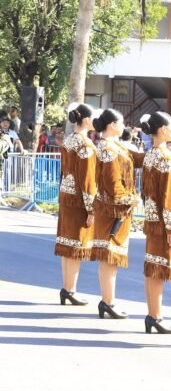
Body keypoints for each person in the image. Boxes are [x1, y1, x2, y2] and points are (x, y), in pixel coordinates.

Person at [91, 108, 144, 319]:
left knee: (111, 259)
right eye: (121, 122)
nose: (124, 126)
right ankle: (107, 301)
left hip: (113, 207)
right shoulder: (108, 148)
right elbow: (113, 183)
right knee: (109, 257)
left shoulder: (115, 146)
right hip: (112, 209)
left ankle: (108, 300)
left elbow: (136, 159)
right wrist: (131, 199)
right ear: (112, 125)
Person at [139, 112, 171, 334]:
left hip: (152, 216)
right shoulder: (166, 158)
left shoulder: (150, 155)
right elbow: (170, 196)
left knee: (152, 267)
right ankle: (156, 316)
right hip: (164, 220)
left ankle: (153, 314)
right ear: (163, 129)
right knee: (159, 268)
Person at [55, 103, 97, 306]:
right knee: (75, 246)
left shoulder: (69, 140)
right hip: (79, 198)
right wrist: (92, 208)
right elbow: (88, 180)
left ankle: (67, 287)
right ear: (87, 120)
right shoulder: (86, 145)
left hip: (66, 193)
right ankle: (70, 289)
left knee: (67, 244)